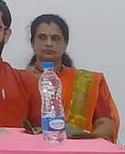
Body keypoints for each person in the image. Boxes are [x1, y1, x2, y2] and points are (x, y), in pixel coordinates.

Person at [25, 14, 119, 142]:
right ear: (32, 43)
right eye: (42, 37)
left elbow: (105, 123)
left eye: (55, 38)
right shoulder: (21, 80)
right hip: (32, 150)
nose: (48, 44)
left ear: (66, 44)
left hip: (78, 152)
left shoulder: (84, 82)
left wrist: (87, 144)